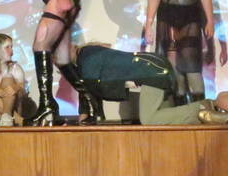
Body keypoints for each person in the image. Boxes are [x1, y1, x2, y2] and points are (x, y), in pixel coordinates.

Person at [73, 43, 212, 125]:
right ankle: (207, 115)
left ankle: (201, 107)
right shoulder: (89, 55)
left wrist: (86, 117)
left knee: (149, 119)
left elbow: (88, 88)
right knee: (166, 122)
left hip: (152, 73)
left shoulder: (87, 58)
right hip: (156, 68)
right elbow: (87, 89)